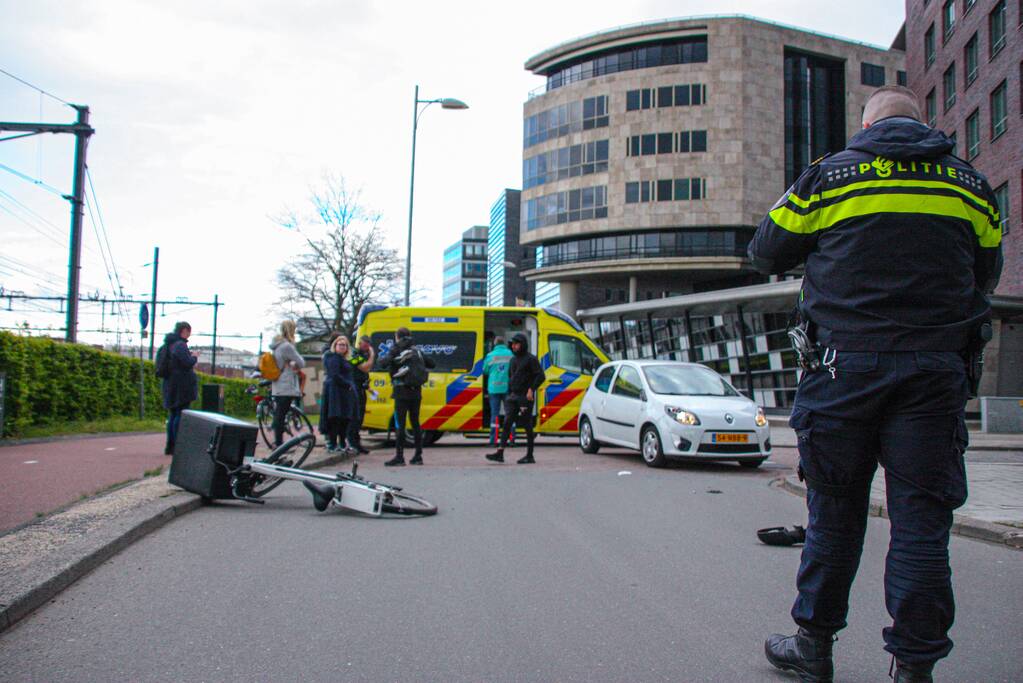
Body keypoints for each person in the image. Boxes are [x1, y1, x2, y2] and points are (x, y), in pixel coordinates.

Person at [750, 85, 1002, 683]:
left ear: (867, 127)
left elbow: (765, 250)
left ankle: (813, 648)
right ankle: (913, 666)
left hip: (844, 373)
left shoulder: (829, 177)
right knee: (921, 525)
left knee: (835, 515)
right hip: (934, 375)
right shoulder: (970, 185)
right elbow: (986, 275)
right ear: (921, 124)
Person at [485, 333, 545, 465]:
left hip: (525, 397)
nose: (513, 346)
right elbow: (511, 376)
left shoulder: (531, 359)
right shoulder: (513, 360)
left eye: (516, 344)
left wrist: (531, 389)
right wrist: (510, 392)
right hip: (513, 396)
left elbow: (541, 376)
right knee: (507, 423)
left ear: (522, 344)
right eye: (512, 344)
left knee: (527, 425)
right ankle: (500, 452)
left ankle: (529, 455)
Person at [378, 327, 434, 466]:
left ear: (397, 336)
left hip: (401, 391)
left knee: (400, 424)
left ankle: (399, 457)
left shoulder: (396, 348)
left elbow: (383, 363)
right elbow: (432, 364)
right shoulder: (417, 350)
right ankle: (418, 456)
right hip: (416, 392)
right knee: (415, 423)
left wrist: (391, 358)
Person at [160, 321, 199, 455]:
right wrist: (194, 357)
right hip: (181, 386)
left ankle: (170, 445)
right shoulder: (180, 345)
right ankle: (178, 445)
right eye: (189, 332)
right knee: (180, 414)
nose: (189, 335)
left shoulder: (168, 345)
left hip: (169, 384)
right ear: (184, 331)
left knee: (173, 414)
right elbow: (187, 363)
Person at [269, 320, 306, 448]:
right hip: (286, 384)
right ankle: (279, 444)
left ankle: (277, 441)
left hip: (277, 382)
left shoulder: (276, 346)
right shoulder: (287, 346)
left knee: (279, 413)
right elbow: (301, 362)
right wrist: (294, 364)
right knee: (281, 414)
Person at [319, 335, 358, 454]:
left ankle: (342, 443)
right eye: (340, 345)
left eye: (345, 345)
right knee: (335, 418)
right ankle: (333, 443)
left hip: (344, 392)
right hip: (335, 392)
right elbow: (335, 375)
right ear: (335, 345)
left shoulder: (345, 359)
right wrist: (348, 384)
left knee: (345, 418)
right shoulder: (332, 358)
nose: (343, 347)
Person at [482, 336, 514, 446]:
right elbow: (514, 369)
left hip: (494, 388)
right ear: (504, 343)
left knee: (494, 414)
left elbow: (485, 370)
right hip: (507, 388)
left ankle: (494, 441)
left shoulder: (490, 355)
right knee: (509, 413)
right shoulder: (510, 354)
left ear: (495, 344)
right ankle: (511, 439)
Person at [347, 335, 375, 454]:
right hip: (354, 390)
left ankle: (356, 443)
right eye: (365, 345)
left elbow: (364, 374)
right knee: (355, 418)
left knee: (360, 418)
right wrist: (372, 355)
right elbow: (365, 368)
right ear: (359, 343)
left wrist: (369, 388)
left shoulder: (364, 355)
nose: (366, 347)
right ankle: (352, 443)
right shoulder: (353, 355)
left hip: (362, 389)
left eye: (368, 345)